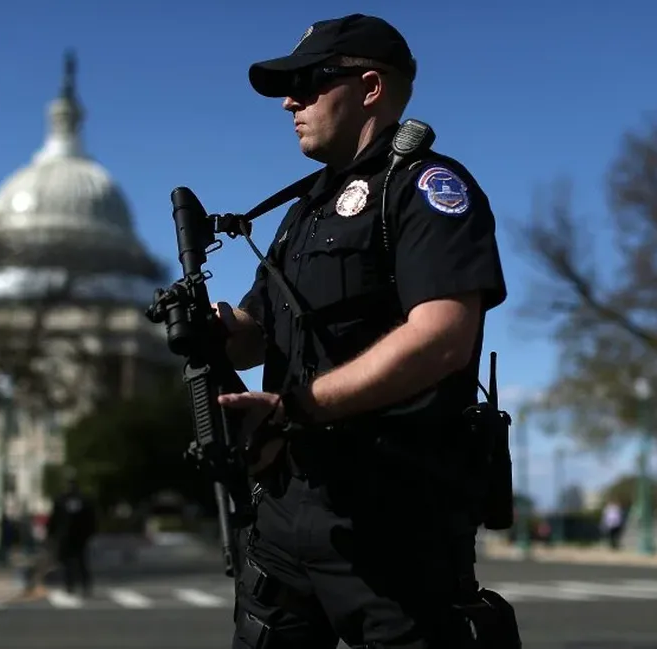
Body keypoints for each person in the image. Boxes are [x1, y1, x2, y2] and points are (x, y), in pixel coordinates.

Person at [214, 14, 510, 648]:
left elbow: (443, 335)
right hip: (286, 515)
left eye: (312, 81)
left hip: (394, 523)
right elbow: (255, 334)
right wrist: (212, 328)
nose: (292, 100)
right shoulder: (302, 213)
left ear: (370, 87)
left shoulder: (426, 190)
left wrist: (299, 407)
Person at [47, 471, 97, 597]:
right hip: (79, 536)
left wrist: (51, 534)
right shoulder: (84, 500)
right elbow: (92, 519)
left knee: (69, 563)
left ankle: (71, 586)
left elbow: (54, 519)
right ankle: (83, 586)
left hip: (67, 536)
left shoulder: (61, 500)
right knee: (81, 562)